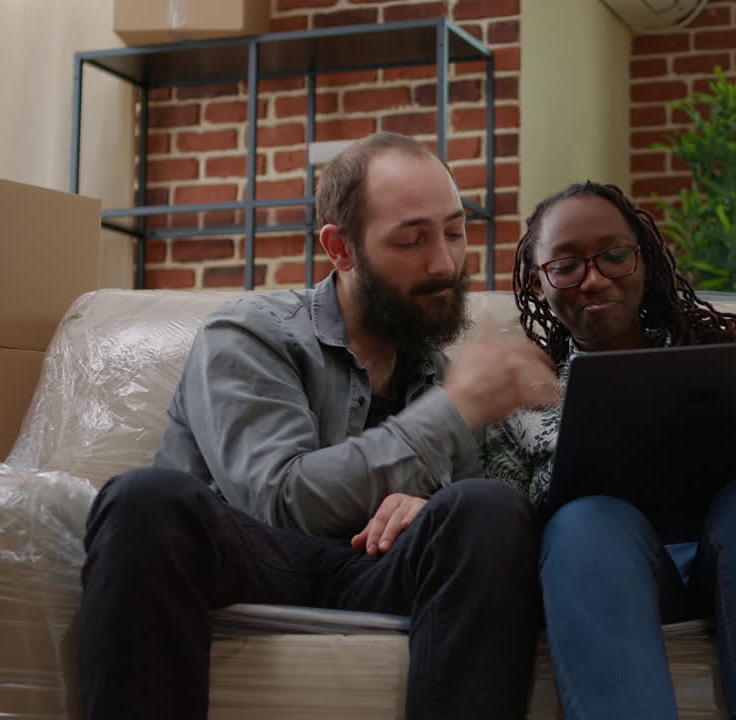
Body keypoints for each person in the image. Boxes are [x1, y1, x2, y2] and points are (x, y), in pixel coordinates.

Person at [79, 132, 560, 720]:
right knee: (143, 499)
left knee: (486, 507)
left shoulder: (439, 375)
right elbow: (278, 500)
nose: (443, 263)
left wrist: (429, 505)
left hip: (374, 572)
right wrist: (451, 412)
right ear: (341, 249)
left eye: (455, 232)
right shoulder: (250, 334)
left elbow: (470, 532)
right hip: (253, 562)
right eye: (411, 239)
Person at [483, 181, 736, 720]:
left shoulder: (723, 362)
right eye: (565, 266)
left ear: (645, 257)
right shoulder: (514, 398)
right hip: (610, 584)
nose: (593, 279)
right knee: (586, 522)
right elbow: (501, 543)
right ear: (537, 282)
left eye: (614, 255)